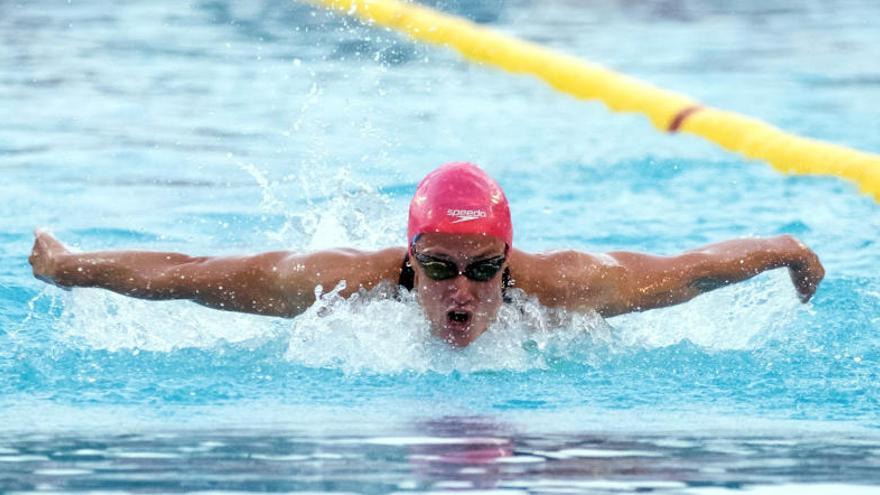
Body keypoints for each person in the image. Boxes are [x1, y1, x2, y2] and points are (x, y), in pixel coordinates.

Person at [29, 162, 824, 347]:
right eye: (441, 268)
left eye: (484, 269)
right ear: (411, 263)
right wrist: (68, 267)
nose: (464, 291)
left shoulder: (571, 287)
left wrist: (784, 249)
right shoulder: (339, 285)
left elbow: (693, 268)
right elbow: (189, 277)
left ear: (508, 263)